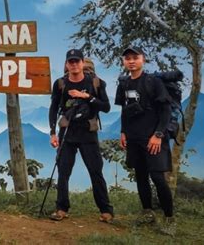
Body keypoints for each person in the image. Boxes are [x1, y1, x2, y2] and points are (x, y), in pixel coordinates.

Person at [114, 46, 175, 235]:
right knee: (140, 175)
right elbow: (125, 110)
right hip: (134, 138)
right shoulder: (123, 83)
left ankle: (169, 218)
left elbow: (166, 111)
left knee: (157, 177)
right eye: (128, 58)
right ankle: (147, 211)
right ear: (124, 62)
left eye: (135, 57)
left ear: (143, 60)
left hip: (153, 138)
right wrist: (123, 132)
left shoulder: (153, 82)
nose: (131, 61)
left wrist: (158, 135)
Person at [48, 49, 114, 223]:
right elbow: (54, 108)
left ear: (83, 62)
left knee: (95, 171)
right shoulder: (60, 84)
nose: (74, 64)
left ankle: (106, 210)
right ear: (66, 64)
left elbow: (106, 107)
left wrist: (87, 97)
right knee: (63, 172)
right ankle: (61, 208)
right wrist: (52, 133)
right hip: (67, 133)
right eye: (71, 61)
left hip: (88, 133)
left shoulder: (96, 83)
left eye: (77, 61)